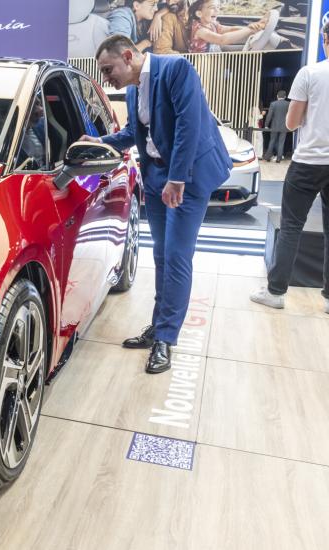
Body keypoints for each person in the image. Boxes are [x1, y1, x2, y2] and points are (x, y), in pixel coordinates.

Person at [82, 35, 232, 374]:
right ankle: (159, 326)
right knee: (162, 256)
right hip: (157, 177)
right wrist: (99, 142)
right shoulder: (133, 90)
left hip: (187, 176)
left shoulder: (176, 69)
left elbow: (189, 126)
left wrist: (176, 178)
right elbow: (133, 134)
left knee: (177, 256)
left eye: (108, 69)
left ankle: (166, 338)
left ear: (127, 56)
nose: (106, 78)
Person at [250, 13, 329, 315]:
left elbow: (291, 123)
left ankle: (276, 292)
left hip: (309, 161)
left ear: (325, 38)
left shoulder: (310, 73)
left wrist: (315, 115)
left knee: (292, 227)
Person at [186, 0, 266, 53]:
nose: (217, 10)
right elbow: (221, 40)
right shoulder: (200, 30)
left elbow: (230, 29)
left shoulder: (212, 24)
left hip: (215, 61)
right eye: (212, 8)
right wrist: (249, 30)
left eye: (218, 7)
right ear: (199, 14)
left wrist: (253, 28)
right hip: (203, 66)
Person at [262, 90, 290, 162]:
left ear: (277, 96)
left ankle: (267, 157)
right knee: (281, 142)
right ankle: (279, 158)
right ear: (285, 97)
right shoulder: (288, 104)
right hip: (284, 126)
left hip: (274, 126)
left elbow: (269, 115)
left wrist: (266, 125)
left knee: (272, 141)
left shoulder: (273, 104)